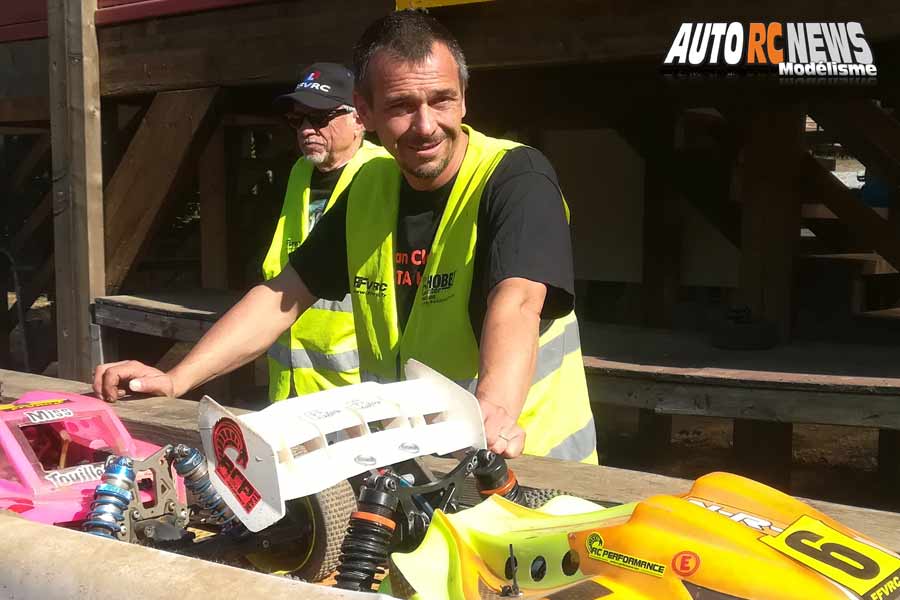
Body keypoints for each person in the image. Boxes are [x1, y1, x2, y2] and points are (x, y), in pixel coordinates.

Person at [94, 10, 597, 464]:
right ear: (366, 110)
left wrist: (494, 410)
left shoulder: (516, 177)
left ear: (464, 97)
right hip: (424, 455)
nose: (426, 125)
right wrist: (176, 378)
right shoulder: (368, 191)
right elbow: (280, 297)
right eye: (402, 105)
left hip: (529, 464)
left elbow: (519, 301)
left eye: (442, 100)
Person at [264, 62, 386, 400]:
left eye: (319, 118)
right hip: (291, 388)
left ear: (359, 119)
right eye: (297, 119)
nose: (305, 129)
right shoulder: (299, 173)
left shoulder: (383, 173)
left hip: (355, 396)